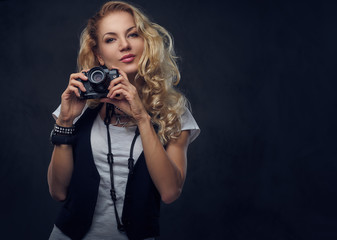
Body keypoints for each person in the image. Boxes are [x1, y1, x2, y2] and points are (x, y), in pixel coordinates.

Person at [48, 1, 200, 240]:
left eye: (133, 34)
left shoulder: (174, 112)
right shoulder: (80, 104)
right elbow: (57, 192)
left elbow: (170, 192)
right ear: (99, 54)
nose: (125, 45)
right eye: (111, 39)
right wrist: (65, 122)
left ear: (146, 41)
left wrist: (142, 117)